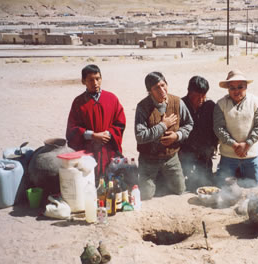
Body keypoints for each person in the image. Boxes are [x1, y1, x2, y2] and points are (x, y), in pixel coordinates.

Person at [135, 72, 193, 200]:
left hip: (171, 157)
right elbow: (140, 136)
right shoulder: (142, 107)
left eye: (163, 85)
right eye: (156, 88)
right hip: (148, 158)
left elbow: (189, 124)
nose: (162, 90)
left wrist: (177, 136)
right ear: (150, 91)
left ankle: (162, 179)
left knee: (179, 190)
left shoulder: (177, 102)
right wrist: (163, 125)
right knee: (146, 195)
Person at [66, 64, 126, 181]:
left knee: (110, 183)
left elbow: (120, 123)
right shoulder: (78, 102)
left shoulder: (111, 98)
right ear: (83, 81)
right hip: (89, 151)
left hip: (108, 149)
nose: (95, 83)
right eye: (91, 80)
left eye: (98, 79)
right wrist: (92, 135)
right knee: (89, 182)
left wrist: (108, 134)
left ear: (101, 78)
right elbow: (71, 129)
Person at [213, 69, 258, 188]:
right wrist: (235, 145)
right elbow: (218, 128)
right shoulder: (221, 104)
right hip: (228, 155)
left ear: (246, 86)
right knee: (224, 188)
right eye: (232, 88)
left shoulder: (256, 102)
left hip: (251, 155)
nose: (236, 91)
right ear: (228, 88)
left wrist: (247, 144)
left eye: (240, 87)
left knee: (254, 187)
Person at [179, 76, 218, 191]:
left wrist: (212, 147)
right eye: (198, 94)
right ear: (190, 92)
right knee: (183, 185)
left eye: (204, 94)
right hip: (185, 153)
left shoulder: (210, 106)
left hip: (204, 153)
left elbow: (214, 130)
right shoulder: (180, 105)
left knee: (206, 184)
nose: (202, 98)